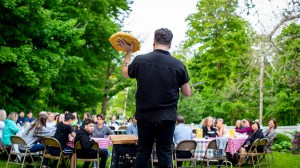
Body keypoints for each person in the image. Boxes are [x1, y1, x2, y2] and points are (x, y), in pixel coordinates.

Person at [118, 28, 192, 168]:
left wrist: (128, 52)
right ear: (170, 44)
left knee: (143, 151)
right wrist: (189, 88)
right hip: (167, 117)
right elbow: (187, 93)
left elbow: (125, 73)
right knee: (164, 152)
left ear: (154, 42)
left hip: (145, 116)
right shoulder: (178, 65)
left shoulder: (140, 60)